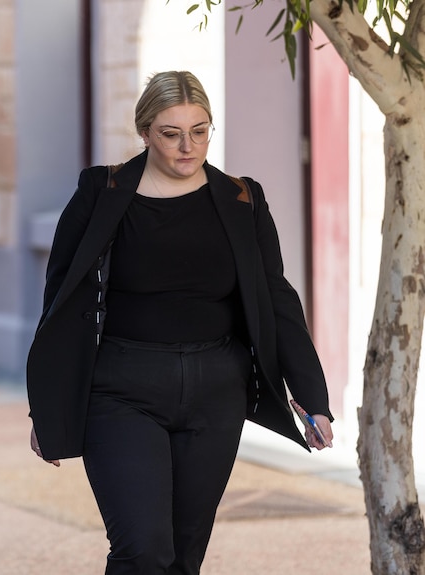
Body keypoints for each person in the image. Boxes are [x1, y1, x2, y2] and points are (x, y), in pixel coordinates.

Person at [26, 70, 334, 574]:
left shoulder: (243, 199)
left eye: (201, 130)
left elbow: (277, 299)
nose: (188, 146)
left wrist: (312, 398)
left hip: (218, 391)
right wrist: (49, 405)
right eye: (171, 133)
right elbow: (59, 300)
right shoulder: (101, 192)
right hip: (122, 389)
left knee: (184, 555)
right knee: (143, 549)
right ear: (145, 132)